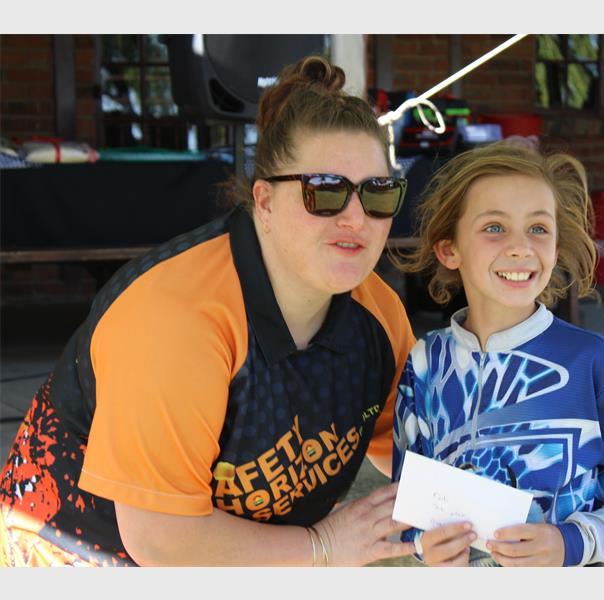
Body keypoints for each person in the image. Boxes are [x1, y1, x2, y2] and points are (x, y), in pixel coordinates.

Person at [0, 55, 418, 567]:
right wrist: (323, 547)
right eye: (325, 191)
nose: (356, 217)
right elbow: (161, 539)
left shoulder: (378, 314)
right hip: (80, 552)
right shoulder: (178, 319)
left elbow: (410, 453)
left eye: (378, 193)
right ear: (264, 201)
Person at [391, 142, 604, 567]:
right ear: (449, 249)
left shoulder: (590, 360)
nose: (521, 247)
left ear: (556, 248)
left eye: (539, 228)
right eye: (494, 227)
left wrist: (575, 542)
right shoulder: (424, 365)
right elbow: (409, 500)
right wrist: (423, 546)